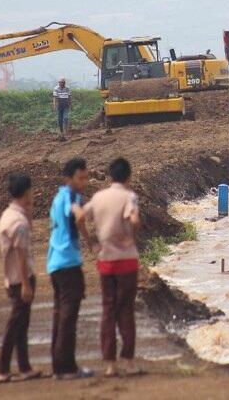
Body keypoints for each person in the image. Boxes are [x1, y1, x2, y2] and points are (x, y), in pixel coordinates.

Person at [73, 158, 141, 377]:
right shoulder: (129, 196)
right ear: (128, 177)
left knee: (108, 310)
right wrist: (132, 238)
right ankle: (129, 362)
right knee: (126, 311)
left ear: (110, 177)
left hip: (105, 260)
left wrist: (91, 242)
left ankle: (110, 364)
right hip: (127, 260)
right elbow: (133, 219)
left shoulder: (98, 197)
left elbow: (80, 217)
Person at [47, 158, 94, 380]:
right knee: (68, 316)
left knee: (60, 314)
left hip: (55, 262)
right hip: (68, 263)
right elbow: (79, 215)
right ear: (69, 179)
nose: (84, 182)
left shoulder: (57, 197)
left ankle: (59, 366)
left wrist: (88, 241)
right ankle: (67, 368)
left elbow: (79, 223)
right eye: (81, 178)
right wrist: (90, 240)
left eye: (86, 177)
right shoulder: (71, 196)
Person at [0, 173, 42, 383]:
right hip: (20, 278)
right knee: (16, 324)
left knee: (21, 323)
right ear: (26, 192)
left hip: (11, 277)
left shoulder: (9, 215)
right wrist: (25, 284)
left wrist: (29, 209)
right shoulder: (19, 222)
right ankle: (3, 369)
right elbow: (22, 255)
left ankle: (24, 367)